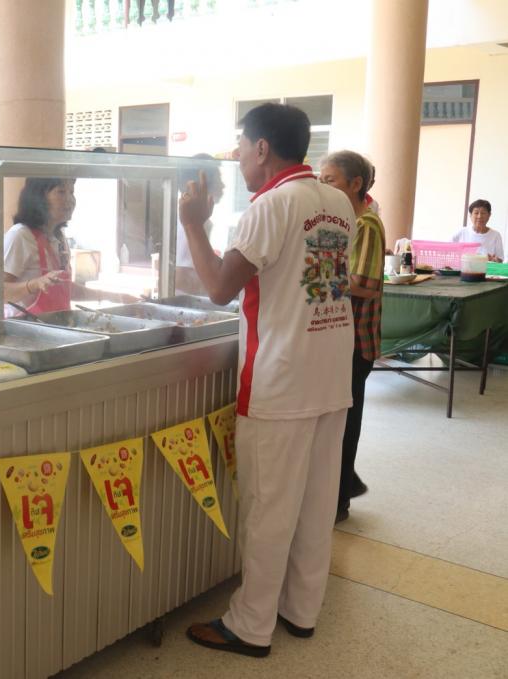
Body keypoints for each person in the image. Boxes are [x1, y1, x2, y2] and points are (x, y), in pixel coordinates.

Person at [178, 103, 356, 657]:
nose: (237, 158)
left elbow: (218, 288)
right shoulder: (338, 203)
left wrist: (193, 223)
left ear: (261, 148)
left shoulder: (270, 206)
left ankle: (251, 626)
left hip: (279, 381)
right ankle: (301, 611)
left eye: (241, 146)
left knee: (268, 511)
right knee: (315, 506)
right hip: (330, 376)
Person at [320, 151, 385, 523]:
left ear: (356, 183)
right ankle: (344, 486)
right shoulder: (344, 222)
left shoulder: (367, 225)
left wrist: (317, 279)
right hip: (340, 339)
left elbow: (365, 284)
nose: (322, 186)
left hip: (357, 343)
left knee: (345, 425)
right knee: (338, 422)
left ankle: (339, 502)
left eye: (330, 180)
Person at [3, 178, 138, 316]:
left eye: (71, 192)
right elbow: (0, 292)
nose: (70, 200)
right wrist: (35, 284)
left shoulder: (59, 237)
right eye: (61, 192)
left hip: (54, 325)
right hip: (23, 327)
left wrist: (117, 297)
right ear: (38, 197)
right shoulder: (20, 235)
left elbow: (65, 290)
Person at [174, 155, 225, 297]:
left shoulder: (201, 220)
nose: (223, 185)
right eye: (219, 178)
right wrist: (225, 287)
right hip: (185, 302)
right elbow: (179, 277)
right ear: (202, 183)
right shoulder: (191, 222)